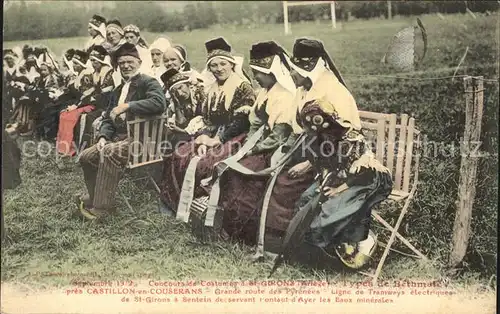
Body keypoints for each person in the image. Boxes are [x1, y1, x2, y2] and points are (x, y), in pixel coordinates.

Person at [260, 38, 364, 252]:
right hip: (309, 149)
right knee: (273, 176)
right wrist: (285, 152)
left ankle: (286, 242)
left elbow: (341, 139)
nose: (290, 75)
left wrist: (308, 163)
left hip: (335, 157)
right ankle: (279, 239)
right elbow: (296, 128)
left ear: (307, 70)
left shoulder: (333, 91)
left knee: (285, 184)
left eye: (294, 71)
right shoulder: (302, 90)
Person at [211, 41, 297, 244]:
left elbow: (278, 136)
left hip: (277, 150)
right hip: (260, 145)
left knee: (240, 173)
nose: (256, 77)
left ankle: (244, 231)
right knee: (229, 165)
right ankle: (231, 226)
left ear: (272, 72)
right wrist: (247, 145)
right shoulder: (266, 92)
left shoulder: (283, 95)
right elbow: (255, 124)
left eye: (259, 72)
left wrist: (252, 150)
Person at [292, 98, 392, 269]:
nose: (314, 128)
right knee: (308, 198)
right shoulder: (321, 139)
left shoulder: (349, 138)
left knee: (331, 208)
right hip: (341, 176)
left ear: (329, 119)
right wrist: (325, 182)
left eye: (317, 121)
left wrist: (338, 189)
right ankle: (329, 250)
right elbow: (325, 163)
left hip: (366, 180)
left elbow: (363, 174)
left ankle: (362, 241)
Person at [159, 37, 256, 213]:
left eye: (223, 64)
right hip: (214, 134)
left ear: (231, 65)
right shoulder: (212, 89)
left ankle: (201, 207)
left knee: (204, 164)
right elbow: (208, 119)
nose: (219, 69)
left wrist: (217, 139)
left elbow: (241, 122)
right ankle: (177, 206)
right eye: (214, 65)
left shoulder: (243, 87)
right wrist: (204, 138)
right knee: (180, 154)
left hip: (237, 136)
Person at [75, 43, 166, 220]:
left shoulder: (148, 82)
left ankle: (102, 209)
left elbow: (159, 103)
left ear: (139, 62)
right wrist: (102, 136)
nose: (125, 66)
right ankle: (95, 196)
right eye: (121, 62)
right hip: (119, 139)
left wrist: (127, 106)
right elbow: (109, 118)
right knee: (87, 156)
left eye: (129, 62)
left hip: (142, 141)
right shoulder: (118, 89)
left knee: (109, 153)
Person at [160, 68, 207, 147]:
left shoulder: (201, 94)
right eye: (175, 92)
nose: (180, 93)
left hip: (205, 131)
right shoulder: (177, 100)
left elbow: (206, 122)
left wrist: (181, 131)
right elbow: (181, 122)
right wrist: (176, 104)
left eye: (180, 87)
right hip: (191, 132)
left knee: (178, 139)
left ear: (187, 84)